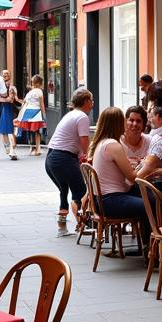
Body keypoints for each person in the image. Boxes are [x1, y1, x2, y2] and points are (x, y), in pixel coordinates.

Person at [87, 106, 150, 223]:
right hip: (111, 200)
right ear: (117, 124)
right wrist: (146, 165)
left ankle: (149, 238)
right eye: (123, 120)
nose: (126, 124)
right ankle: (151, 238)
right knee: (151, 205)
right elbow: (132, 177)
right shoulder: (113, 145)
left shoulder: (102, 142)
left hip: (101, 200)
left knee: (149, 196)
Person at [45, 88, 94, 227]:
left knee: (66, 188)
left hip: (51, 158)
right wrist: (88, 158)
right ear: (86, 101)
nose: (92, 104)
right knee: (81, 192)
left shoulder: (71, 114)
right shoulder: (82, 116)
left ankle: (64, 217)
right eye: (91, 101)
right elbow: (84, 140)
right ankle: (84, 224)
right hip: (63, 158)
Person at [121, 106, 162, 193]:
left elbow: (148, 172)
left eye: (138, 121)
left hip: (145, 187)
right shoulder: (117, 142)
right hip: (122, 186)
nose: (135, 124)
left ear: (144, 125)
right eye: (131, 120)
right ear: (125, 122)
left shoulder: (152, 142)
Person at [15, 74, 46, 156]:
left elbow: (24, 102)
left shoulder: (30, 92)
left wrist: (17, 100)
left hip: (27, 112)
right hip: (36, 112)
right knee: (36, 131)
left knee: (29, 130)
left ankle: (32, 148)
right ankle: (38, 149)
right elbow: (41, 103)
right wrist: (44, 114)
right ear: (40, 83)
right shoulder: (39, 91)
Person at [0, 68, 20, 160]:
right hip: (2, 109)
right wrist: (5, 99)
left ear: (10, 76)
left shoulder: (12, 87)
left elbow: (13, 99)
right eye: (4, 74)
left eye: (7, 74)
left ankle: (12, 150)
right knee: (3, 131)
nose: (6, 76)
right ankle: (8, 148)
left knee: (10, 130)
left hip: (10, 110)